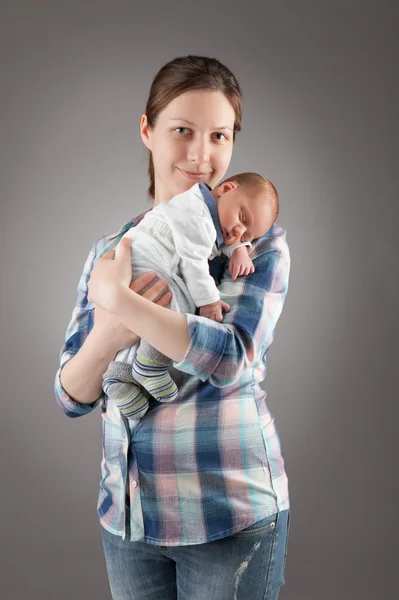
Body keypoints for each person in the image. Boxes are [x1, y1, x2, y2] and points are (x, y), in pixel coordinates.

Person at [55, 55, 291, 600]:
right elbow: (70, 393)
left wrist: (121, 301)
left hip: (227, 518)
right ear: (148, 130)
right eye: (182, 130)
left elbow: (231, 360)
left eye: (219, 135)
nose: (201, 155)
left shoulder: (253, 244)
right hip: (129, 520)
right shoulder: (111, 252)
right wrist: (111, 332)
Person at [102, 173, 279, 421]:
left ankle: (118, 376)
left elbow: (219, 239)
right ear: (226, 188)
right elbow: (194, 261)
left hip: (150, 257)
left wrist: (238, 248)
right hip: (148, 256)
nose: (238, 232)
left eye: (247, 235)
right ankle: (150, 364)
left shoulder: (211, 216)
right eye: (242, 219)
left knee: (139, 323)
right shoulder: (196, 211)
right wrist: (209, 303)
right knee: (177, 306)